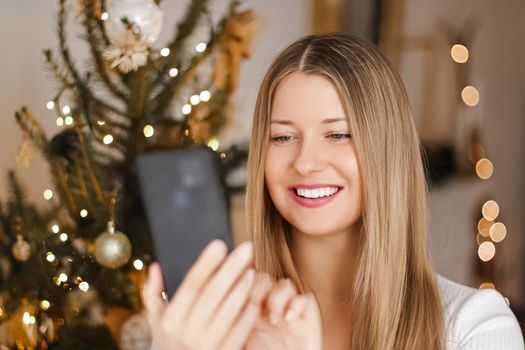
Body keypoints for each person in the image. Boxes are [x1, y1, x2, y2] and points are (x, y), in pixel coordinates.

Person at [143, 33, 524, 350]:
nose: (306, 162)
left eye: (338, 134)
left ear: (386, 152)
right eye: (283, 136)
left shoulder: (476, 326)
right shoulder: (208, 329)